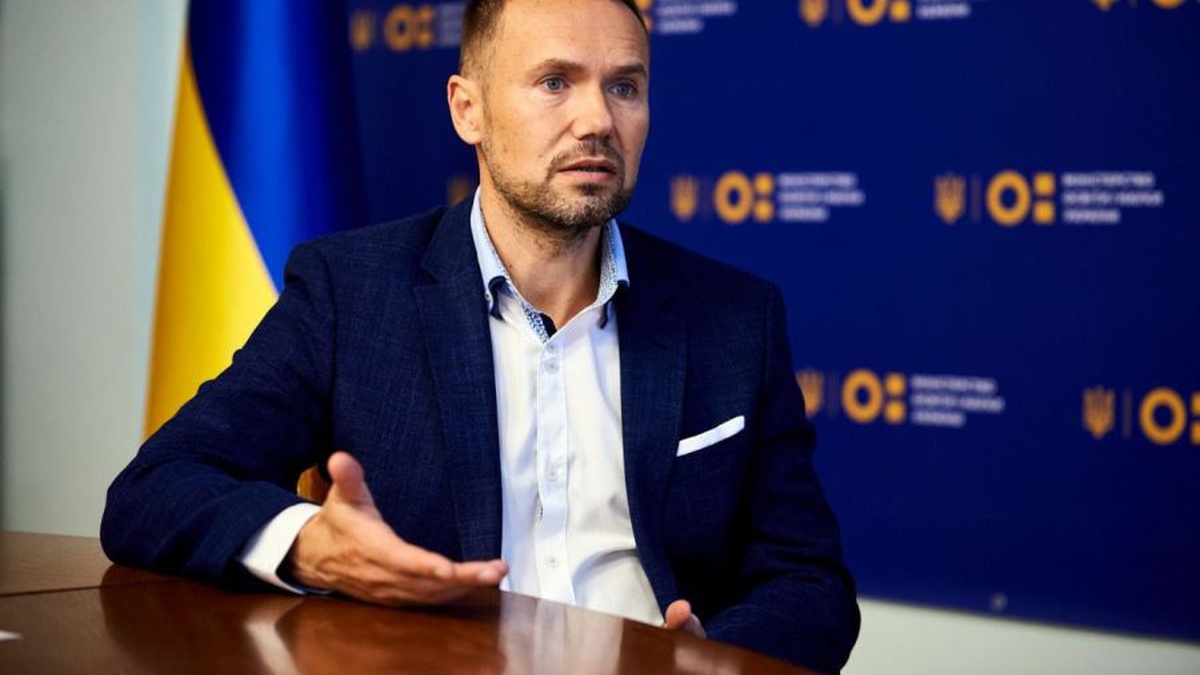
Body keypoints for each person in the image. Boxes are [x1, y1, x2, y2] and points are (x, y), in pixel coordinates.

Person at [102, 0, 859, 671]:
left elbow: (809, 581)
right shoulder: (351, 292)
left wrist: (711, 660)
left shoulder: (736, 316)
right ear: (468, 110)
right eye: (555, 82)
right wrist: (311, 546)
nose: (598, 120)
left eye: (624, 87)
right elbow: (153, 489)